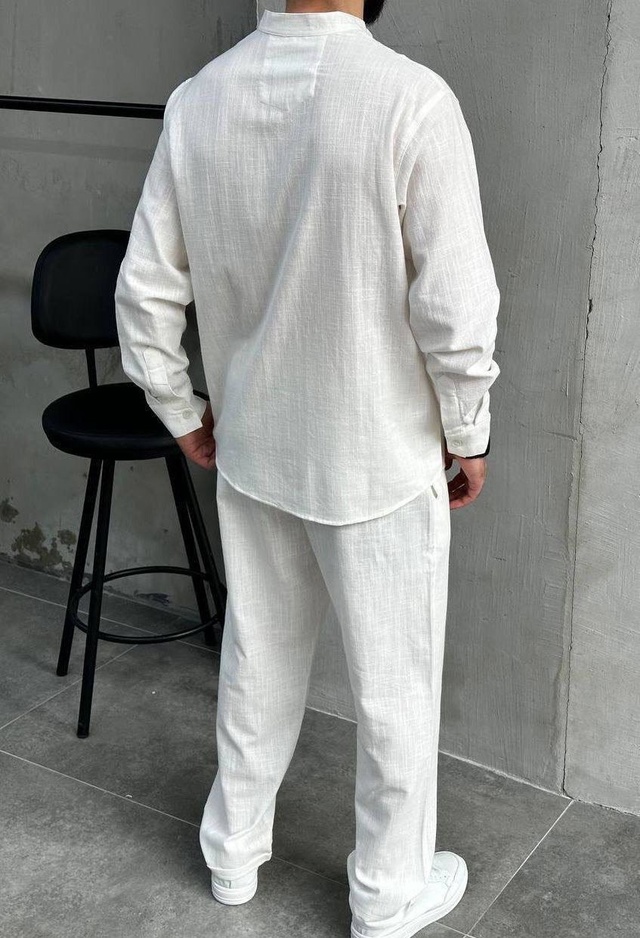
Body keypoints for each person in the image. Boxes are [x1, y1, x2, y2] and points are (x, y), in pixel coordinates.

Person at [114, 2, 501, 936]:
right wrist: (468, 430)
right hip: (376, 455)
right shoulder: (411, 100)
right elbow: (455, 305)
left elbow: (144, 289)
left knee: (258, 658)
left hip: (255, 444)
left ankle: (233, 855)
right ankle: (387, 894)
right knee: (394, 687)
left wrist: (181, 410)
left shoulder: (200, 100)